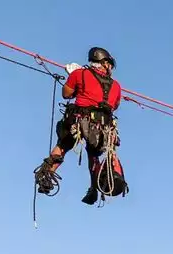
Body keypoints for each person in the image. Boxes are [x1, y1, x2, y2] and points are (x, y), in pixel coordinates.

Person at [34, 47, 123, 205]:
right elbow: (114, 106)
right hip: (102, 128)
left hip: (79, 121)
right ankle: (94, 188)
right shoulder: (116, 86)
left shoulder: (79, 74)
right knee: (93, 155)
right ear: (104, 62)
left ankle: (47, 175)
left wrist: (75, 79)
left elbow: (66, 94)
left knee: (63, 144)